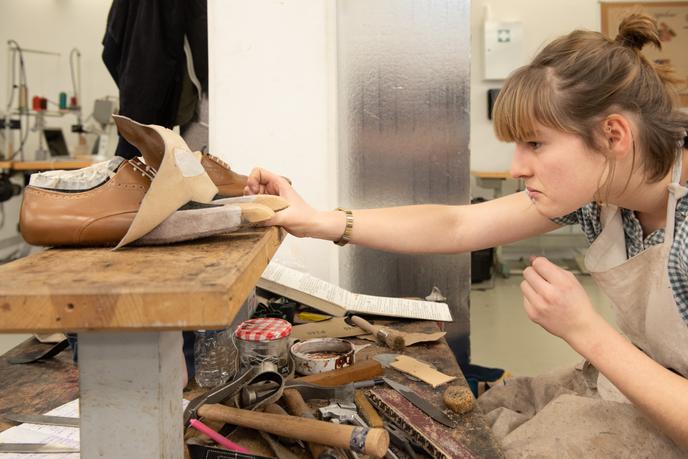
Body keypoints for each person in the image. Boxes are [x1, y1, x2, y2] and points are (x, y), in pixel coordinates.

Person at [244, 13, 688, 457]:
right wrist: (322, 221)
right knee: (481, 420)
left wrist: (586, 330)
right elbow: (460, 224)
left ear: (613, 135)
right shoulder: (606, 192)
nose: (516, 167)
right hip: (637, 382)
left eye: (535, 144)